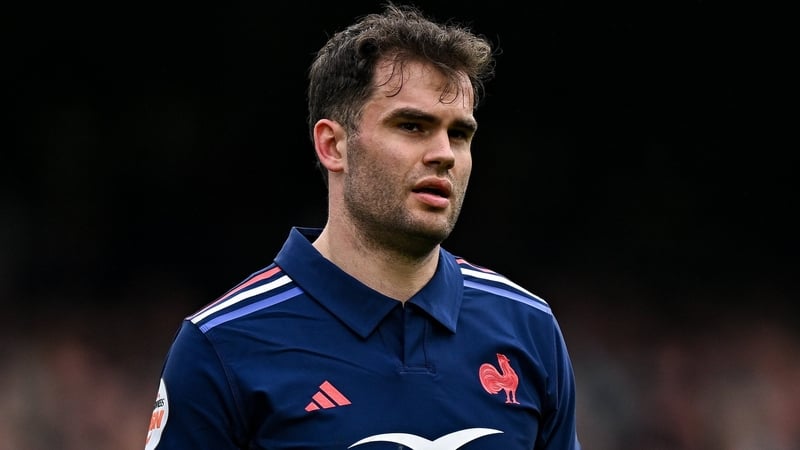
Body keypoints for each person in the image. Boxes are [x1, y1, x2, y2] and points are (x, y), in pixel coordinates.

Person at [144, 3, 582, 449]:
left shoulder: (529, 327)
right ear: (333, 145)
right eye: (412, 126)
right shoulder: (222, 344)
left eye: (458, 134)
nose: (444, 154)